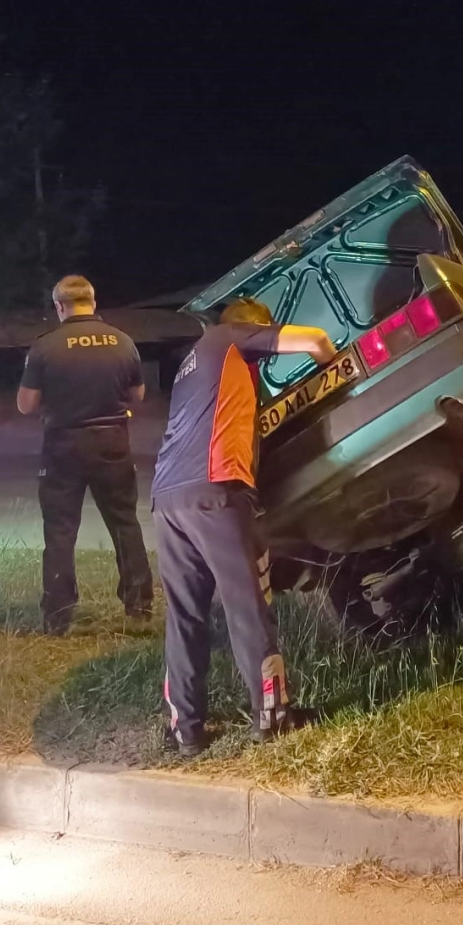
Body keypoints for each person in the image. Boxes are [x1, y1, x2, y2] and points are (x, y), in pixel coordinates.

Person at [151, 297, 335, 756]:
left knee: (186, 616)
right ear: (254, 329)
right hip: (217, 493)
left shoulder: (192, 363)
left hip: (167, 498)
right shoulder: (230, 337)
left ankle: (186, 731)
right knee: (247, 607)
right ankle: (272, 718)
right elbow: (316, 340)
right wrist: (333, 370)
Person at [17, 275, 155, 633]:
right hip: (112, 441)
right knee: (124, 522)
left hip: (63, 446)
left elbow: (25, 404)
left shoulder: (45, 346)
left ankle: (58, 616)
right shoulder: (122, 341)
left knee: (60, 531)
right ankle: (139, 607)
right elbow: (138, 394)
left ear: (59, 306)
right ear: (93, 302)